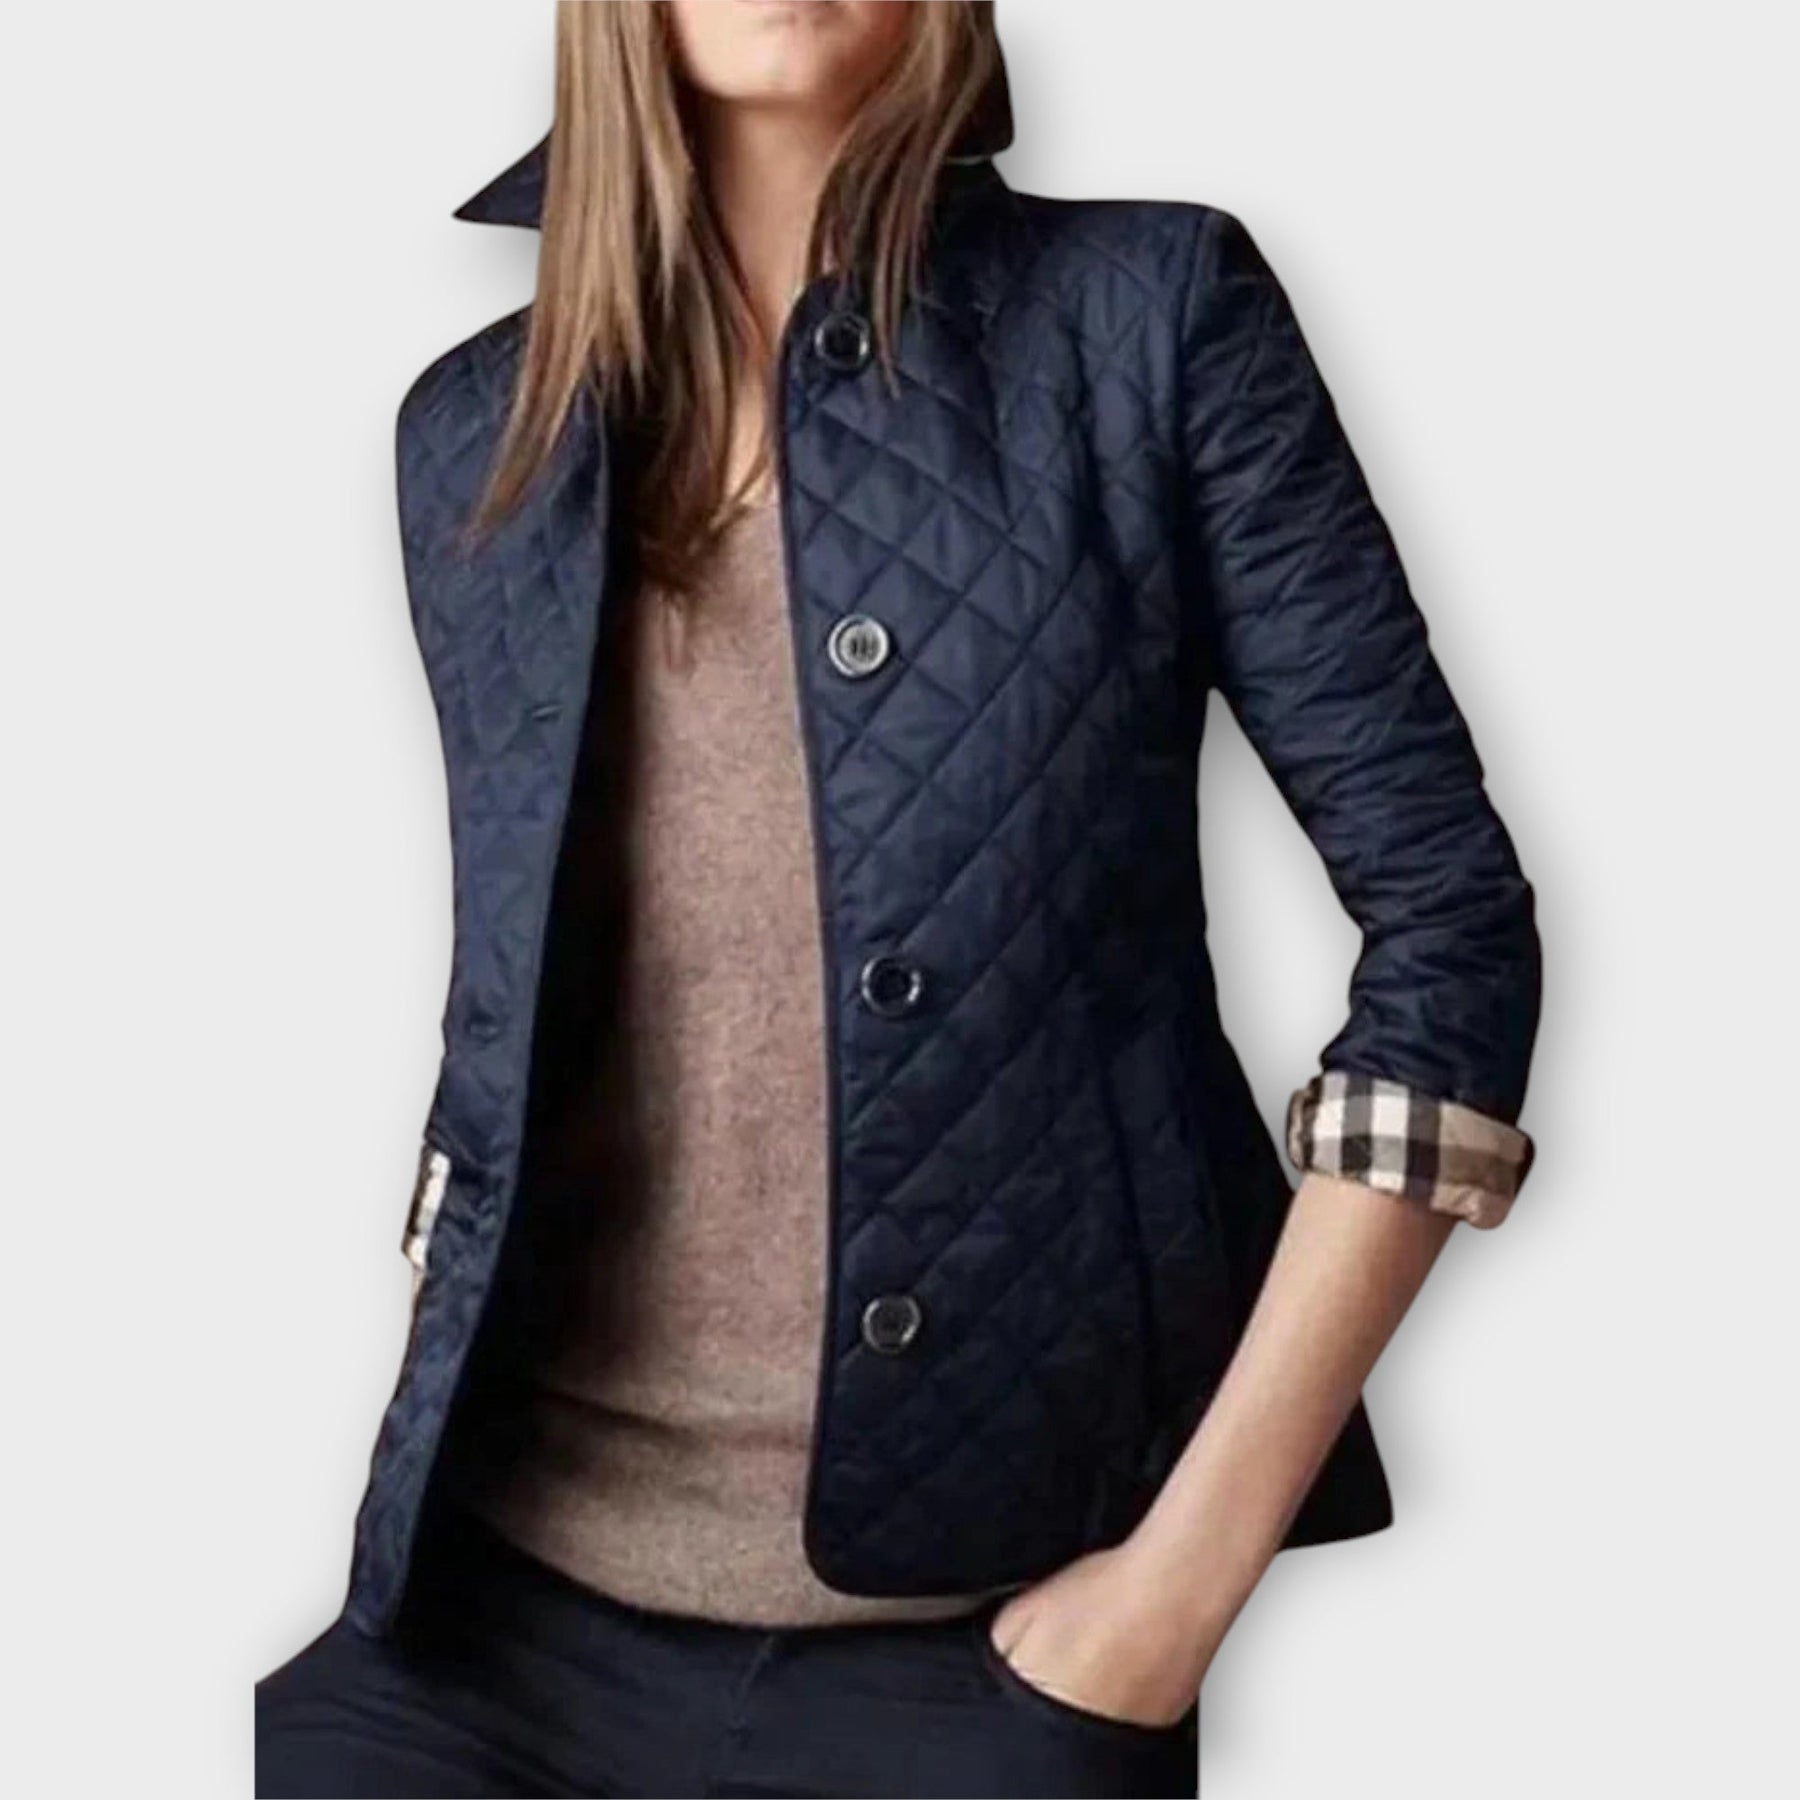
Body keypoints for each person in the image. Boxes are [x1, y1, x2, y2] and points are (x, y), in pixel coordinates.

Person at [253, 4, 1543, 1796]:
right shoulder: (476, 432)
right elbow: (539, 1002)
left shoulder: (1150, 318)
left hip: (982, 1661)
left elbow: (1452, 924)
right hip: (479, 1626)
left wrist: (1175, 1594)